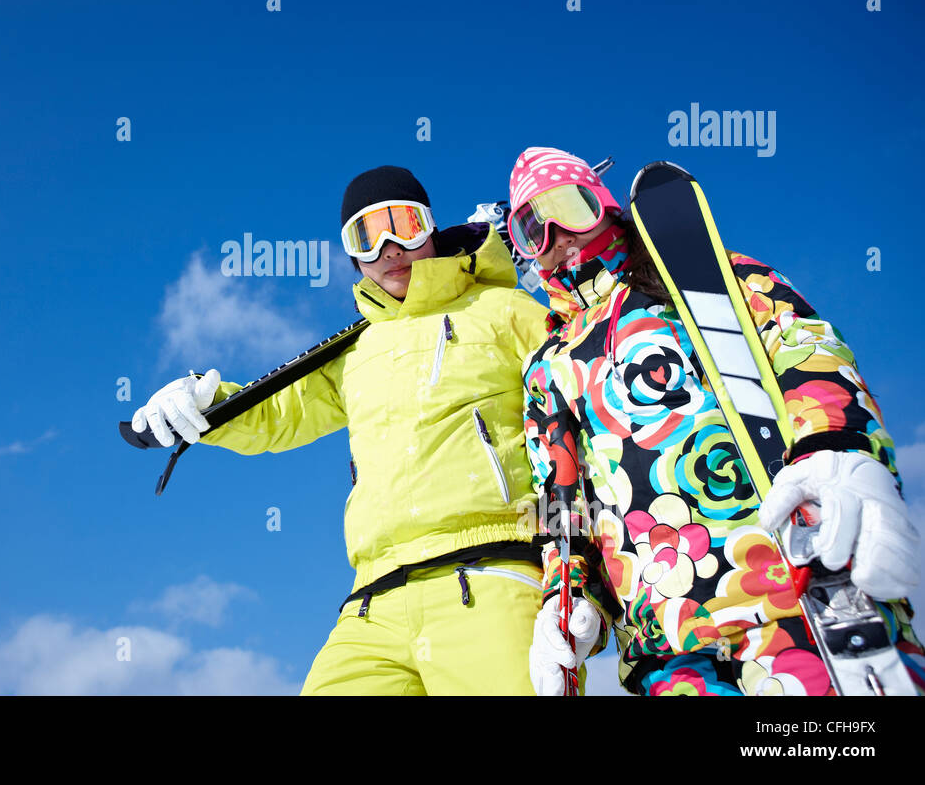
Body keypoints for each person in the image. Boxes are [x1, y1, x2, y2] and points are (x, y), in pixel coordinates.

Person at [510, 146, 923, 696]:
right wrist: (565, 597)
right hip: (665, 638)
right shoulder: (547, 365)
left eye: (570, 206)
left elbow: (805, 347)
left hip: (790, 593)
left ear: (604, 205)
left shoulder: (705, 280)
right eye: (532, 227)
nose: (558, 234)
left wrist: (838, 444)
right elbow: (559, 497)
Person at [132, 165, 557, 694]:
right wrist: (204, 402)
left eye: (403, 224)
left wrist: (582, 581)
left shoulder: (506, 312)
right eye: (366, 236)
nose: (389, 248)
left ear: (430, 228)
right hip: (373, 602)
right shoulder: (355, 352)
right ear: (353, 256)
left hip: (490, 574)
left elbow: (584, 417)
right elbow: (280, 414)